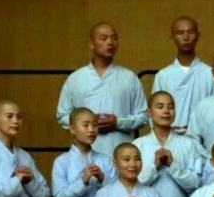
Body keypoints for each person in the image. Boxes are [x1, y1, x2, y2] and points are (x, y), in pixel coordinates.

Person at [56, 22, 148, 156]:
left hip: (121, 154)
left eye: (114, 38)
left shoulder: (129, 78)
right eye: (104, 38)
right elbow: (62, 116)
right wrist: (87, 124)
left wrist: (118, 123)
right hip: (85, 155)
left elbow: (144, 117)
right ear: (91, 44)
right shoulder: (76, 79)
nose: (110, 42)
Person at [151, 16, 214, 136]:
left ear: (198, 35)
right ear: (172, 36)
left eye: (190, 32)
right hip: (170, 138)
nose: (186, 38)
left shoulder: (210, 74)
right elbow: (155, 113)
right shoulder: (163, 76)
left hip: (202, 137)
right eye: (180, 33)